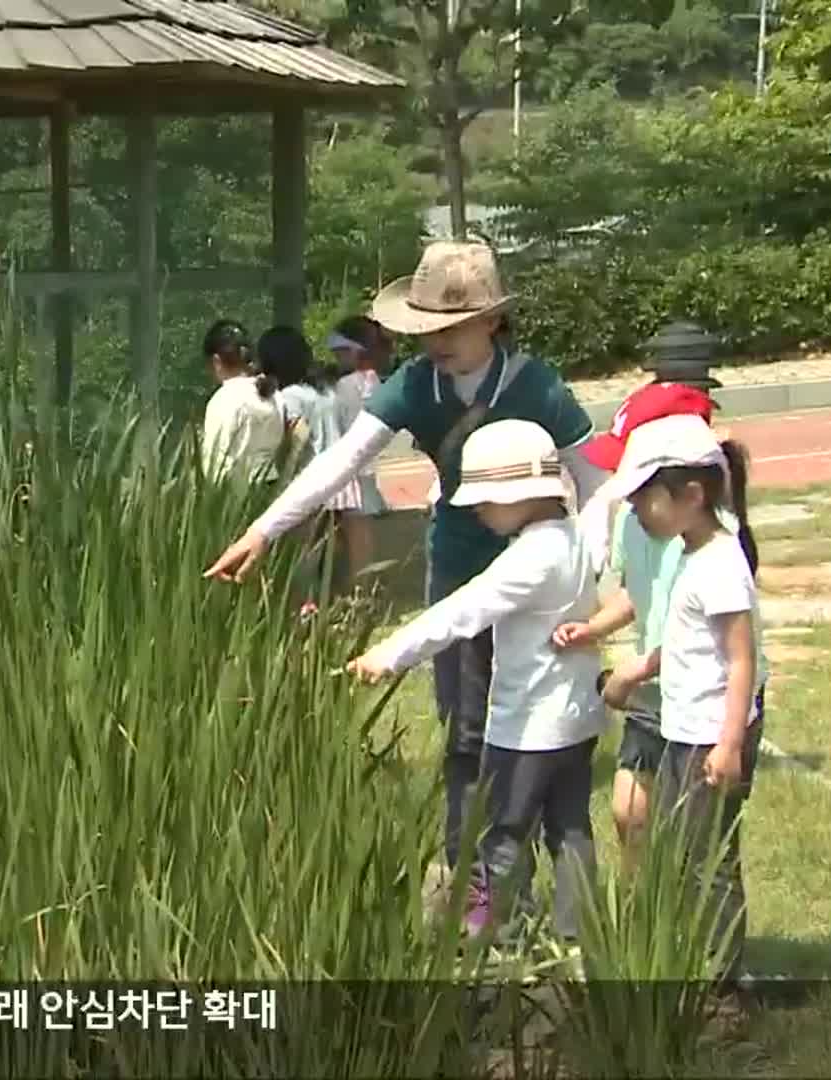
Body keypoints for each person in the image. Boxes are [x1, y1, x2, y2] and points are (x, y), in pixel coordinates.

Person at [203, 241, 607, 890]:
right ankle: (475, 878)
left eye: (453, 327)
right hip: (457, 567)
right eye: (427, 329)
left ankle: (535, 879)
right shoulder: (414, 384)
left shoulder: (535, 383)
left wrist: (588, 571)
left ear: (493, 322)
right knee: (466, 727)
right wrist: (263, 530)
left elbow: (597, 480)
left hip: (536, 580)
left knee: (540, 727)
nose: (437, 342)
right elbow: (344, 461)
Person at [346, 420, 604, 944]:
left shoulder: (530, 558)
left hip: (528, 728)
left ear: (522, 496)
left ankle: (501, 932)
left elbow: (464, 611)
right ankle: (579, 934)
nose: (479, 510)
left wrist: (388, 654)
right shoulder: (573, 537)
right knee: (571, 829)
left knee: (503, 832)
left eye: (486, 500)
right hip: (578, 720)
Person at [587, 413, 766, 988]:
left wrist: (729, 742)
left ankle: (722, 987)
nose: (636, 513)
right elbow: (687, 643)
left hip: (710, 736)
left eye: (645, 500)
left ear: (691, 494)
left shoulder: (720, 563)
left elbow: (742, 660)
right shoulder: (691, 552)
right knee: (683, 853)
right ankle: (691, 963)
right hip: (683, 728)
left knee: (709, 862)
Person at [551, 383, 728, 874]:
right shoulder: (635, 521)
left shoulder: (710, 540)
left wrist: (635, 670)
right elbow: (634, 593)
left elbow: (706, 634)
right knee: (629, 811)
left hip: (693, 689)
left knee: (690, 823)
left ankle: (680, 917)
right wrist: (591, 629)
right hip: (653, 689)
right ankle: (636, 911)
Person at [258, 325, 357, 604]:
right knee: (334, 544)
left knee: (305, 545)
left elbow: (299, 435)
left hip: (310, 478)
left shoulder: (290, 396)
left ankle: (307, 604)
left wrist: (285, 474)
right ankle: (340, 598)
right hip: (339, 476)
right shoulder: (325, 390)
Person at [329, 316, 394, 582]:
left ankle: (361, 589)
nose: (337, 359)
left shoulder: (344, 386)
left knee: (356, 532)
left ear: (354, 351)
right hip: (365, 468)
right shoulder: (376, 381)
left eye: (340, 353)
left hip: (350, 470)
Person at [198, 319, 285, 486]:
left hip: (236, 493)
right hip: (270, 488)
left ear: (216, 361)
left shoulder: (225, 398)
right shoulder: (275, 395)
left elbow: (215, 459)